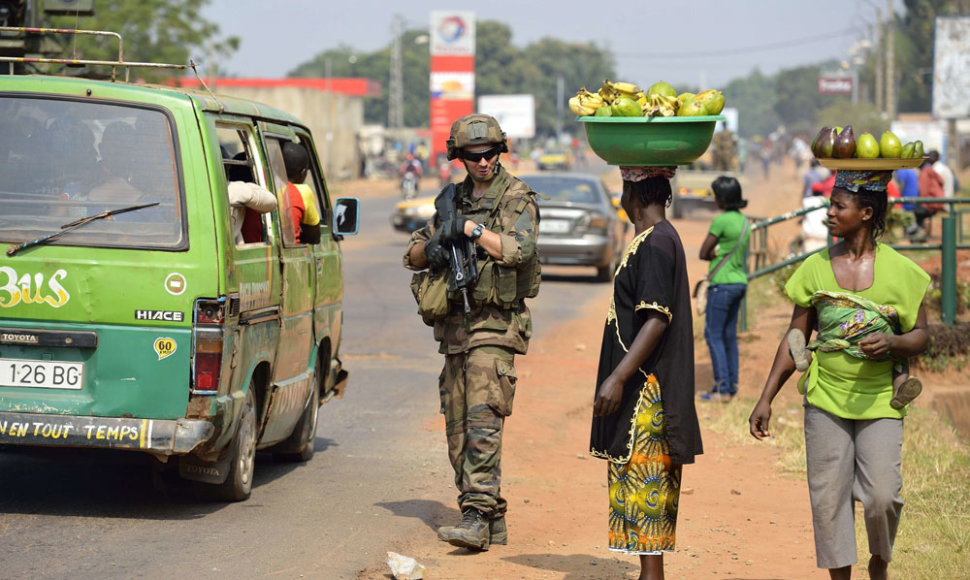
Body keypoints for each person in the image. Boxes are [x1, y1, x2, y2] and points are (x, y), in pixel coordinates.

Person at [749, 169, 930, 580]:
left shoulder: (902, 272)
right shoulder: (814, 268)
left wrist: (894, 344)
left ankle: (879, 561)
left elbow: (921, 335)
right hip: (825, 398)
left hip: (881, 398)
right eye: (829, 204)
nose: (828, 213)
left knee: (882, 496)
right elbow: (795, 335)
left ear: (866, 212)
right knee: (829, 500)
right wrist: (766, 398)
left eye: (837, 206)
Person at [403, 114, 541, 552]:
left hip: (496, 327)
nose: (483, 162)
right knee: (457, 430)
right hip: (456, 331)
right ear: (458, 157)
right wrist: (438, 240)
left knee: (482, 422)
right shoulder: (452, 198)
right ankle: (490, 517)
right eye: (473, 155)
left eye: (490, 154)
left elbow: (519, 249)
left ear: (500, 151)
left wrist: (472, 230)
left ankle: (476, 515)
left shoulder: (517, 196)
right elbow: (413, 256)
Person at [590, 167, 702, 580]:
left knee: (645, 495)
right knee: (641, 502)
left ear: (630, 191)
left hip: (646, 396)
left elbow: (656, 318)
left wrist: (618, 377)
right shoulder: (655, 238)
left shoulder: (656, 243)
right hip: (644, 391)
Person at [698, 176, 751, 402]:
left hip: (722, 283)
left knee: (713, 335)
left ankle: (721, 388)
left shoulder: (721, 221)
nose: (715, 199)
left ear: (722, 199)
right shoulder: (744, 222)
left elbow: (703, 252)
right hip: (739, 282)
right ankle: (731, 385)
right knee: (729, 336)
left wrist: (712, 254)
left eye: (716, 195)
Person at [280, 141, 321, 244]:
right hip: (291, 254)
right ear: (303, 173)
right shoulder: (302, 192)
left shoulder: (264, 187)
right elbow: (314, 237)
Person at [912, 157, 945, 240]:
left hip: (930, 203)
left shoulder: (924, 173)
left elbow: (923, 191)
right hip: (938, 202)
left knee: (915, 211)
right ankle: (924, 234)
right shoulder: (931, 171)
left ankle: (920, 236)